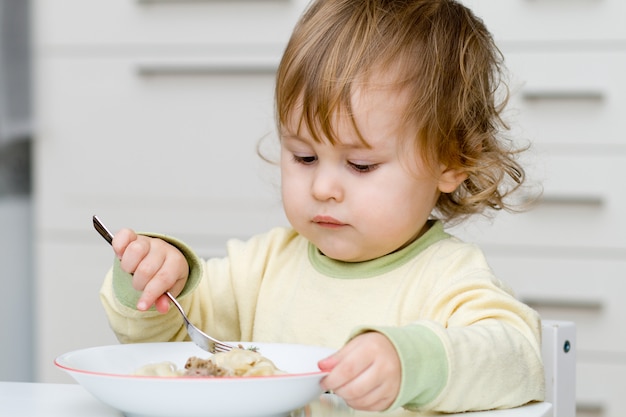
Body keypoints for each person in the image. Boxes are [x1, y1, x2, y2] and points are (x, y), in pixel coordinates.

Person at [100, 0, 544, 413]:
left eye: (361, 164)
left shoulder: (448, 277)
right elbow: (172, 342)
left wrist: (412, 361)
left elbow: (518, 359)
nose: (324, 187)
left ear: (452, 161)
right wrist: (151, 280)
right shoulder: (260, 269)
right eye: (304, 157)